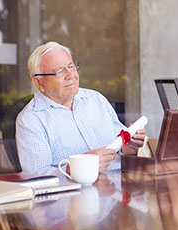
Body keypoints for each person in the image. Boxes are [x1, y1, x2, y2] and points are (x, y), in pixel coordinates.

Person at [16, 41, 146, 176]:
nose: (71, 75)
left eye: (71, 66)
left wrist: (129, 148)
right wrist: (77, 168)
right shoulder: (30, 119)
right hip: (74, 194)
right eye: (60, 71)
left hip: (120, 186)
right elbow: (35, 175)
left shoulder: (96, 99)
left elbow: (121, 148)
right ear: (38, 82)